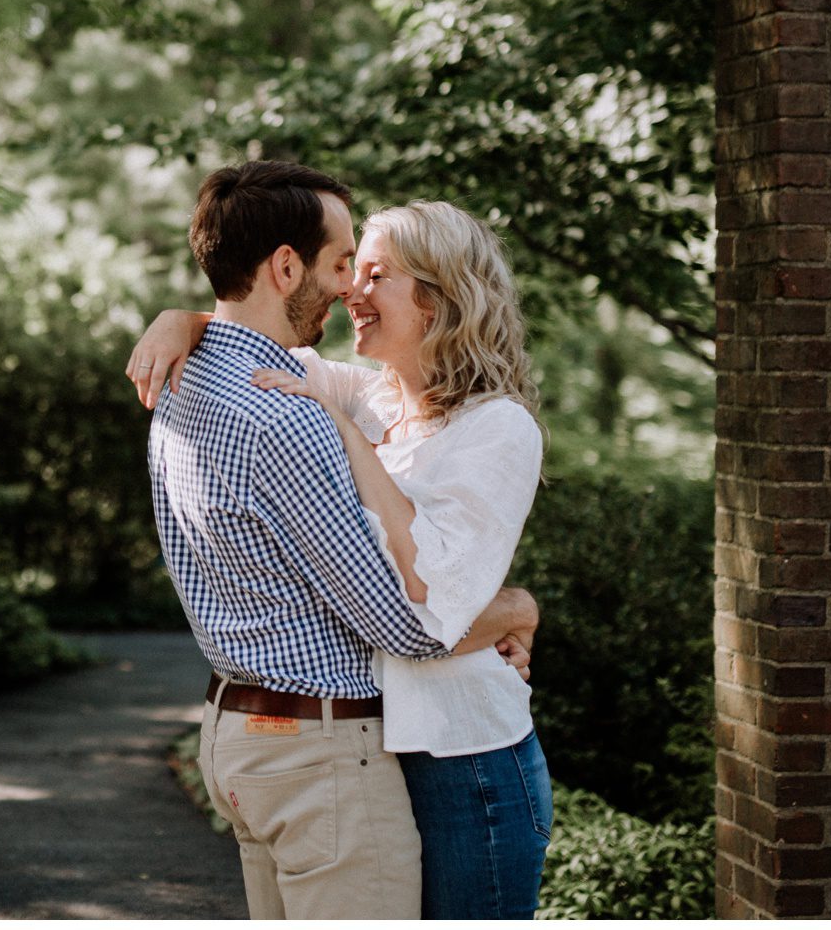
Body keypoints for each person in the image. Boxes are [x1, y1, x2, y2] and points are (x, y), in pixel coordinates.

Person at [131, 197, 552, 920]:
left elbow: (424, 595)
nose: (350, 288)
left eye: (376, 273)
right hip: (372, 745)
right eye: (349, 268)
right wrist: (179, 321)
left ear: (439, 295)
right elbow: (253, 332)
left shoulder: (499, 429)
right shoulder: (369, 393)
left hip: (466, 761)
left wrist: (355, 446)